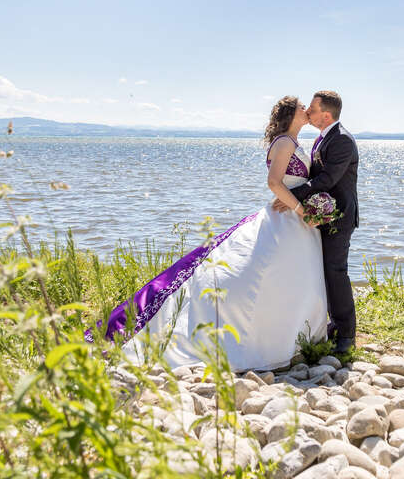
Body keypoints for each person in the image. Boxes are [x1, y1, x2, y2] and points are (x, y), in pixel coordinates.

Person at [87, 96, 328, 371]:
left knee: (291, 276)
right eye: (301, 107)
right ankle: (261, 339)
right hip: (288, 216)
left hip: (295, 221)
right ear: (290, 114)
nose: (306, 110)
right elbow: (274, 182)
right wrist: (301, 209)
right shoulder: (285, 142)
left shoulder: (297, 143)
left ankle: (296, 336)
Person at [272, 90, 358, 355]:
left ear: (326, 114)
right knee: (321, 272)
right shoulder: (322, 138)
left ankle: (346, 334)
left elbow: (327, 180)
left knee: (336, 272)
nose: (308, 111)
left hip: (339, 216)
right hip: (321, 215)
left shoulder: (341, 140)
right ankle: (329, 325)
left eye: (312, 108)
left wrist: (291, 197)